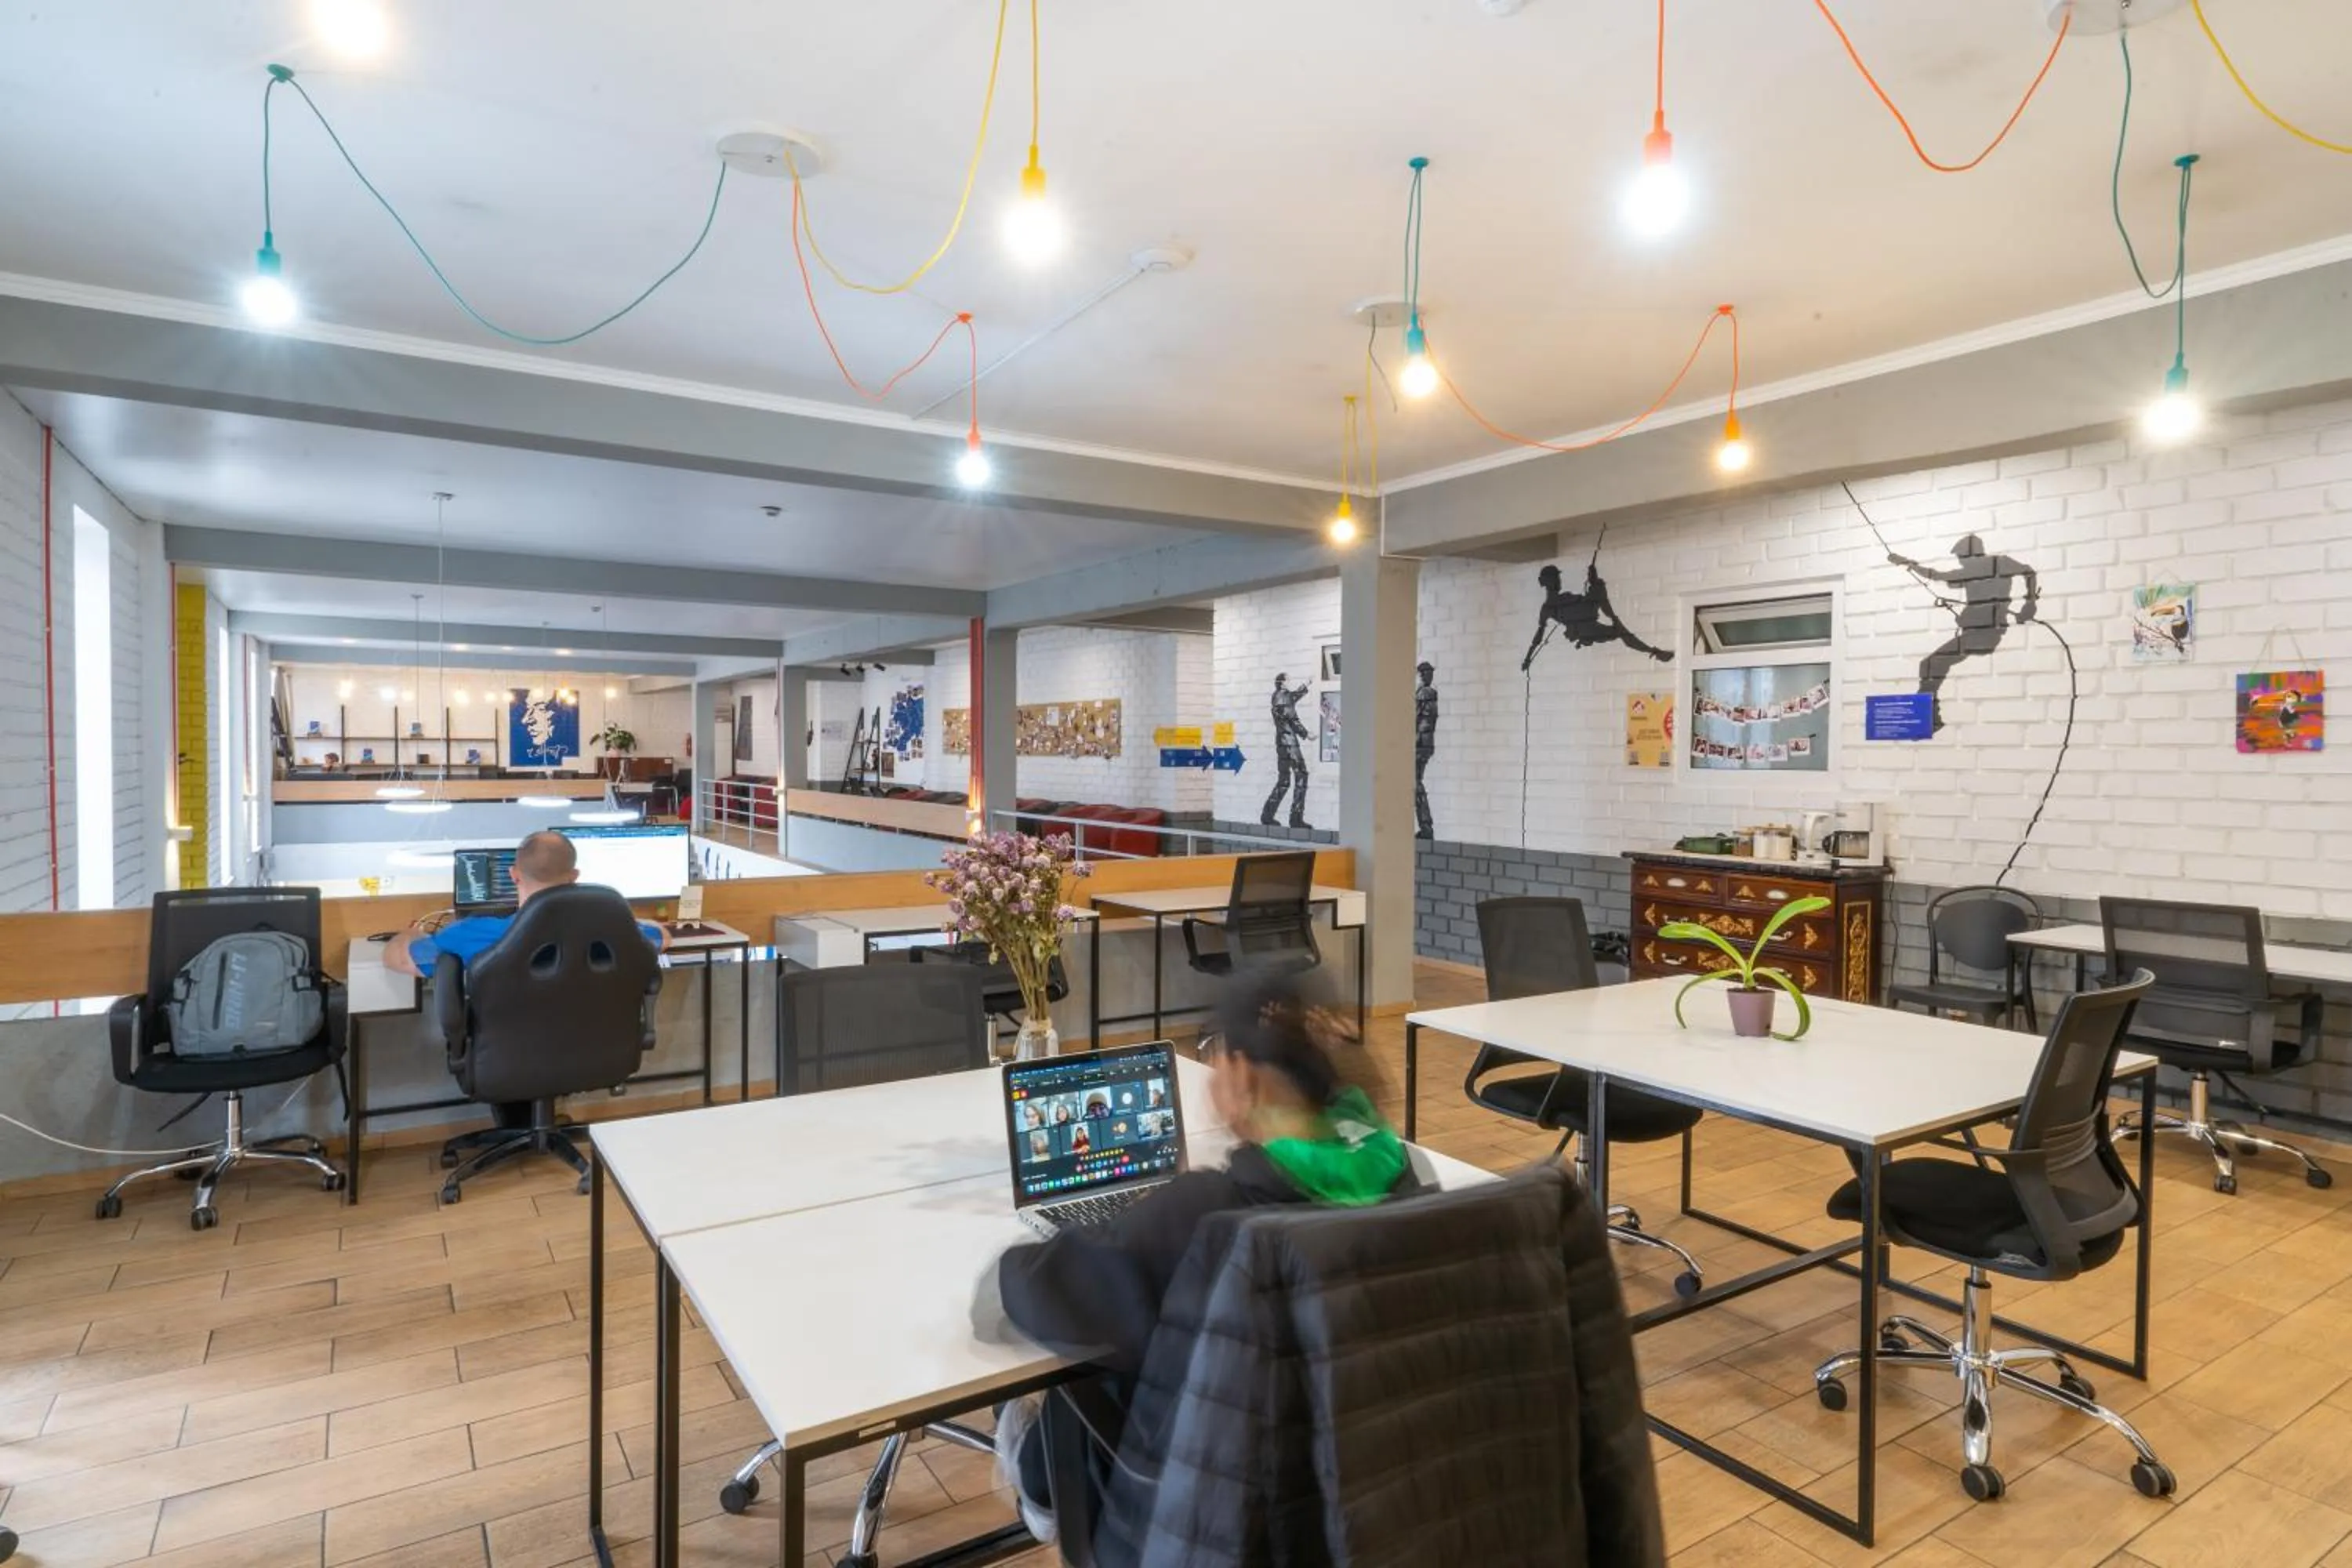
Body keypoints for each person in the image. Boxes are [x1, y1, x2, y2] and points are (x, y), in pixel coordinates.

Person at [971, 978, 1418, 1544]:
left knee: (1091, 1344)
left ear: (1240, 1076)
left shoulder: (1206, 1213)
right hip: (1350, 1500)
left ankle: (1040, 1488)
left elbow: (1037, 1288)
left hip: (1201, 1518)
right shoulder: (1403, 1176)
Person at [387, 830, 667, 1124]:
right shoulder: (612, 932)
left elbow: (398, 958)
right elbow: (661, 937)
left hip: (502, 1064)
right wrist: (634, 920)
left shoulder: (472, 933)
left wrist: (410, 933)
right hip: (594, 1058)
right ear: (575, 876)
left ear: (514, 875)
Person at [1889, 533, 2039, 734]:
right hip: (1978, 633)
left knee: (1930, 664)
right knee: (1932, 664)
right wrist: (1909, 564)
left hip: (1983, 635)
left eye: (1960, 557)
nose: (1959, 562)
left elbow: (1937, 575)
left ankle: (1929, 718)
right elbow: (1937, 575)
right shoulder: (1977, 571)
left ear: (1970, 554)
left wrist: (2030, 603)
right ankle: (1930, 716)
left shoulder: (1998, 564)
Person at [1521, 561, 1673, 670]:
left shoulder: (1558, 602)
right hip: (1585, 628)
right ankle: (1652, 651)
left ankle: (1652, 650)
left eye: (1558, 578)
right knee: (1619, 629)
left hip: (1587, 622)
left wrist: (1593, 582)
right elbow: (1539, 635)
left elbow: (1540, 633)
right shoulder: (1549, 607)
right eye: (1557, 578)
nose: (1559, 581)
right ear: (1550, 581)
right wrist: (1528, 658)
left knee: (1602, 599)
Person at [1258, 673, 1311, 829]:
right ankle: (1296, 818)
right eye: (1288, 680)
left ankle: (1267, 816)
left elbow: (1293, 698)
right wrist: (1306, 734)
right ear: (1282, 683)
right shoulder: (1285, 696)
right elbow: (1293, 719)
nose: (1290, 682)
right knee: (1301, 775)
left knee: (1284, 780)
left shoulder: (1277, 697)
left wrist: (1305, 686)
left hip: (1280, 742)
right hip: (1290, 743)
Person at [1413, 659, 1439, 840]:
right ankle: (1425, 825)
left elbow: (1415, 719)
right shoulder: (1429, 693)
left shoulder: (1425, 693)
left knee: (1415, 784)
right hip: (1425, 745)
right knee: (1416, 783)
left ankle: (1426, 826)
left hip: (1420, 745)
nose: (1427, 676)